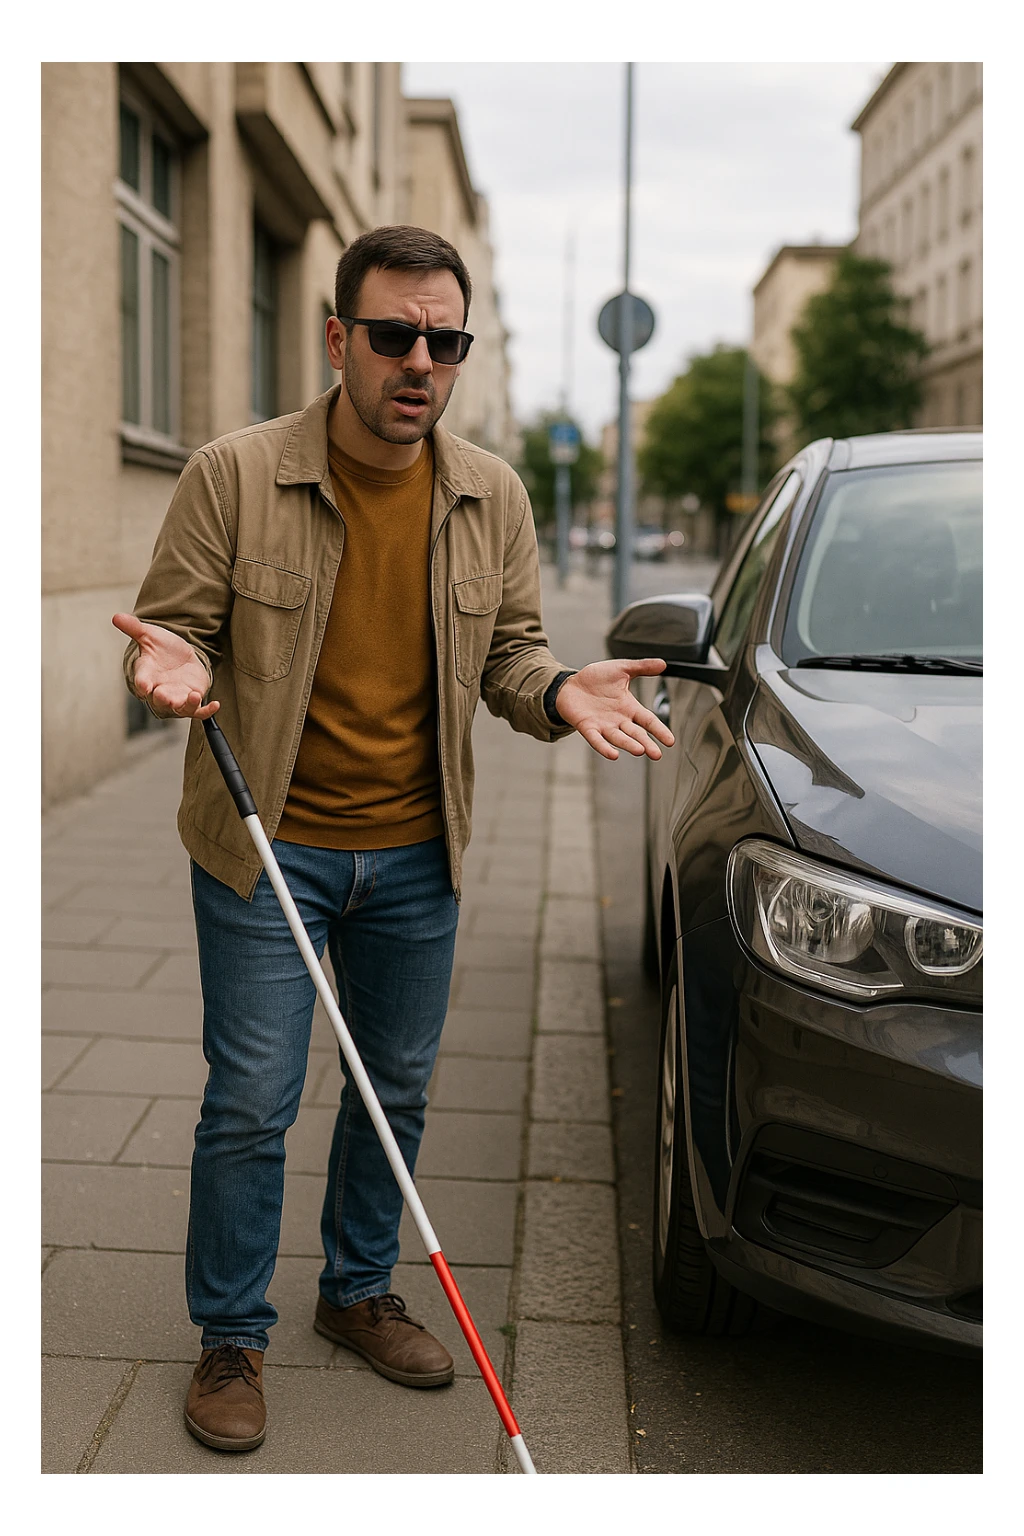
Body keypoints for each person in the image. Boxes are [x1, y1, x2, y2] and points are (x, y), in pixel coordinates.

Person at [113, 224, 673, 1453]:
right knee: (251, 1101)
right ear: (338, 339)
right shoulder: (234, 475)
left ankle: (358, 1290)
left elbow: (511, 655)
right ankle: (232, 1334)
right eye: (393, 335)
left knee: (394, 1090)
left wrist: (559, 688)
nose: (420, 362)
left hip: (421, 853)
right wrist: (170, 666)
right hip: (269, 848)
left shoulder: (491, 494)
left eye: (444, 341)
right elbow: (171, 629)